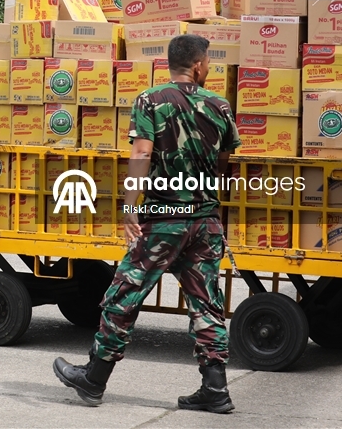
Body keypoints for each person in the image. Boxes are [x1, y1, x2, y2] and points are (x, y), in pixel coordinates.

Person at [52, 34, 240, 412]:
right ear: (200, 65)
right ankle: (216, 389)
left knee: (124, 295)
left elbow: (141, 152)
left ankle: (94, 378)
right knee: (207, 304)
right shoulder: (220, 105)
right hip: (205, 221)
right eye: (209, 65)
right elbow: (224, 161)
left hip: (163, 221)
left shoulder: (150, 100)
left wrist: (129, 206)